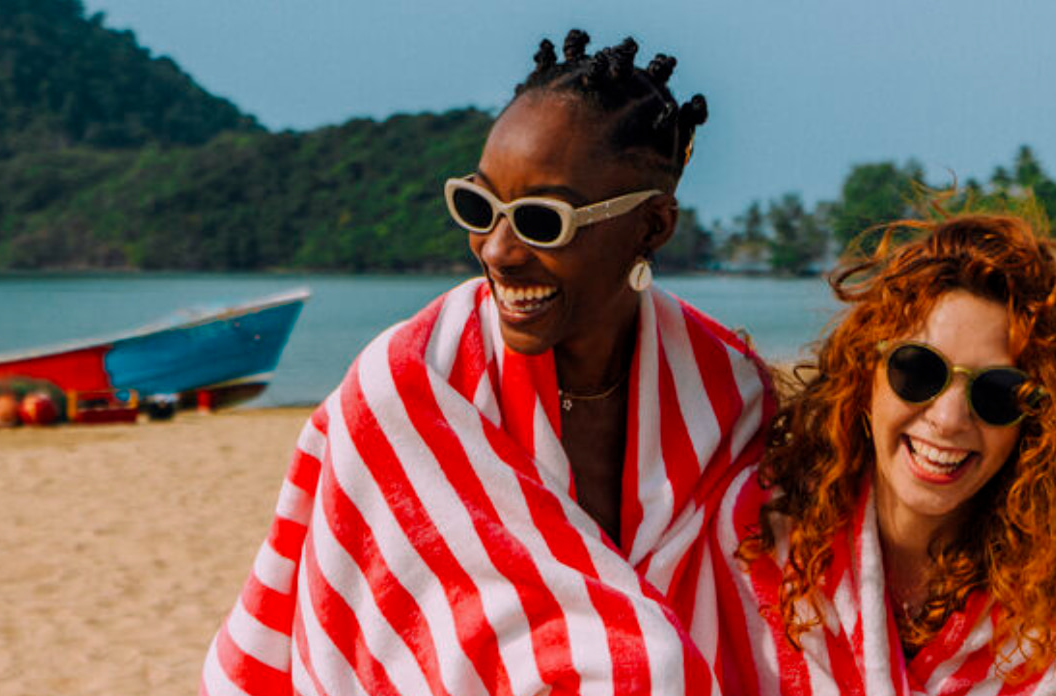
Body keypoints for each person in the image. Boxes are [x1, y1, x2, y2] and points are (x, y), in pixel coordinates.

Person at [202, 30, 775, 695]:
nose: (497, 250)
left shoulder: (729, 396)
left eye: (542, 221)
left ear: (652, 226)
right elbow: (364, 639)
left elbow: (764, 615)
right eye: (478, 207)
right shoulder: (410, 387)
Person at [677, 208, 1056, 694]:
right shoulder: (754, 541)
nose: (948, 419)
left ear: (1031, 423)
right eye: (919, 370)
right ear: (865, 373)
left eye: (995, 393)